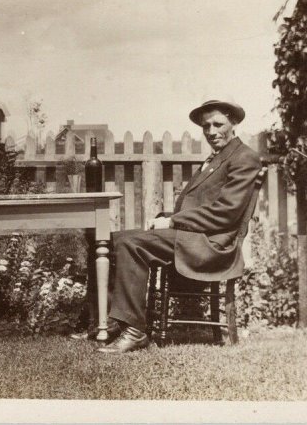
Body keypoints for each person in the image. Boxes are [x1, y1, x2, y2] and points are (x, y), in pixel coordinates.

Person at [96, 99, 261, 354]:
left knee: (131, 244)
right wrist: (166, 217)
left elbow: (226, 213)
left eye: (218, 124)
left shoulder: (244, 157)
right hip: (194, 235)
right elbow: (198, 207)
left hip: (212, 244)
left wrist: (172, 221)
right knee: (108, 239)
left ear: (234, 123)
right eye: (206, 126)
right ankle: (108, 322)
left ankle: (135, 331)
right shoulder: (216, 158)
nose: (211, 131)